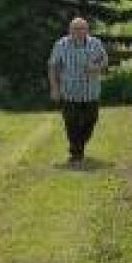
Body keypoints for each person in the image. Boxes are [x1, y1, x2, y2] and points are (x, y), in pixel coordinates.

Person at [47, 16, 109, 166]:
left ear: (87, 30)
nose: (79, 32)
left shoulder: (95, 43)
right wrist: (54, 88)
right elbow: (53, 66)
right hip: (69, 92)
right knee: (71, 122)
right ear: (70, 30)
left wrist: (97, 67)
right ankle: (76, 153)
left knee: (91, 119)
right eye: (75, 29)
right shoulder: (61, 45)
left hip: (91, 92)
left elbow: (105, 60)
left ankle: (78, 146)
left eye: (82, 29)